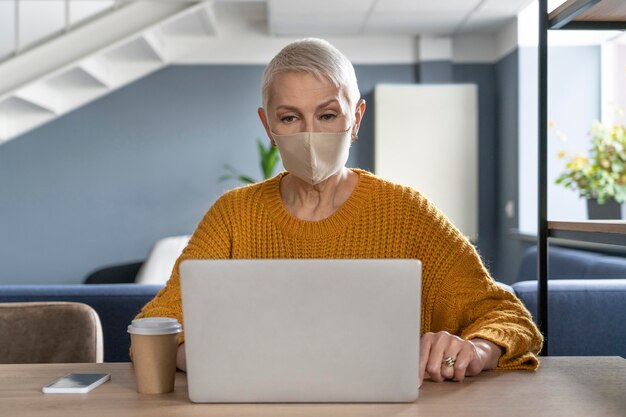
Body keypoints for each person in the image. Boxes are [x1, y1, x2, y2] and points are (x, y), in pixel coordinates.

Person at [135, 38, 543, 385]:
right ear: (268, 127)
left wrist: (475, 349)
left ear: (356, 118)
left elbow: (510, 318)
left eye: (327, 115)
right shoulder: (232, 215)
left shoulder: (407, 212)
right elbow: (157, 325)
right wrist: (220, 363)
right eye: (290, 118)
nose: (310, 134)